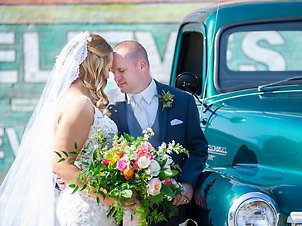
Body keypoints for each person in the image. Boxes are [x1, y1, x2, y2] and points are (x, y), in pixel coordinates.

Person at [0, 31, 118, 226]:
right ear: (95, 65)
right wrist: (110, 197)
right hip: (88, 209)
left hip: (93, 205)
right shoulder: (79, 104)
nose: (108, 74)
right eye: (108, 66)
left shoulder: (74, 99)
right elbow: (61, 165)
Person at [108, 40, 208, 226]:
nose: (116, 77)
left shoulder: (182, 101)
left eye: (121, 70)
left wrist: (187, 183)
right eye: (113, 72)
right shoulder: (109, 106)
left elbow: (197, 147)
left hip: (172, 211)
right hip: (127, 212)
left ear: (142, 65)